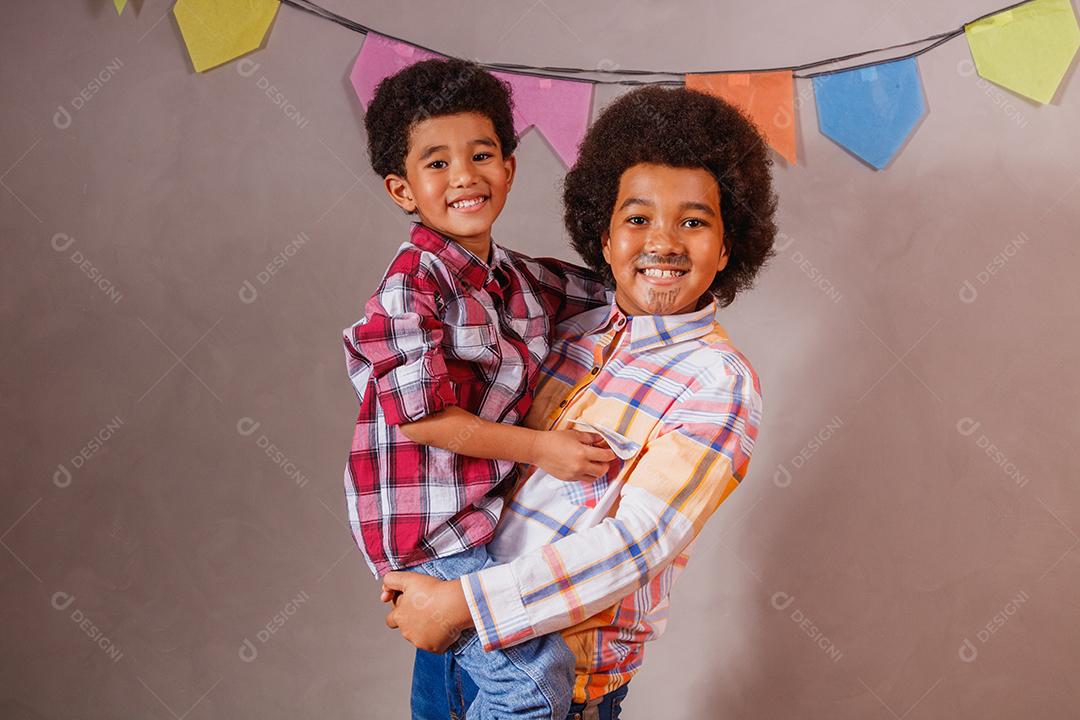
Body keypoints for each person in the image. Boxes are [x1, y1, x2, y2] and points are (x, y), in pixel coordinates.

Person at [380, 85, 779, 718]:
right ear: (604, 233)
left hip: (555, 689)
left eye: (695, 221)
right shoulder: (563, 327)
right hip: (451, 654)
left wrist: (462, 603)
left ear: (728, 247)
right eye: (638, 218)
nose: (664, 242)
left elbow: (636, 544)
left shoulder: (716, 382)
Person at [342, 58, 616, 719]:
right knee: (530, 680)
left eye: (482, 154)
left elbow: (608, 291)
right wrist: (542, 449)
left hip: (479, 522)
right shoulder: (412, 288)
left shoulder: (516, 279)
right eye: (436, 163)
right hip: (431, 531)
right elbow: (426, 419)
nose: (464, 175)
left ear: (510, 169)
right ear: (402, 189)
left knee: (490, 678)